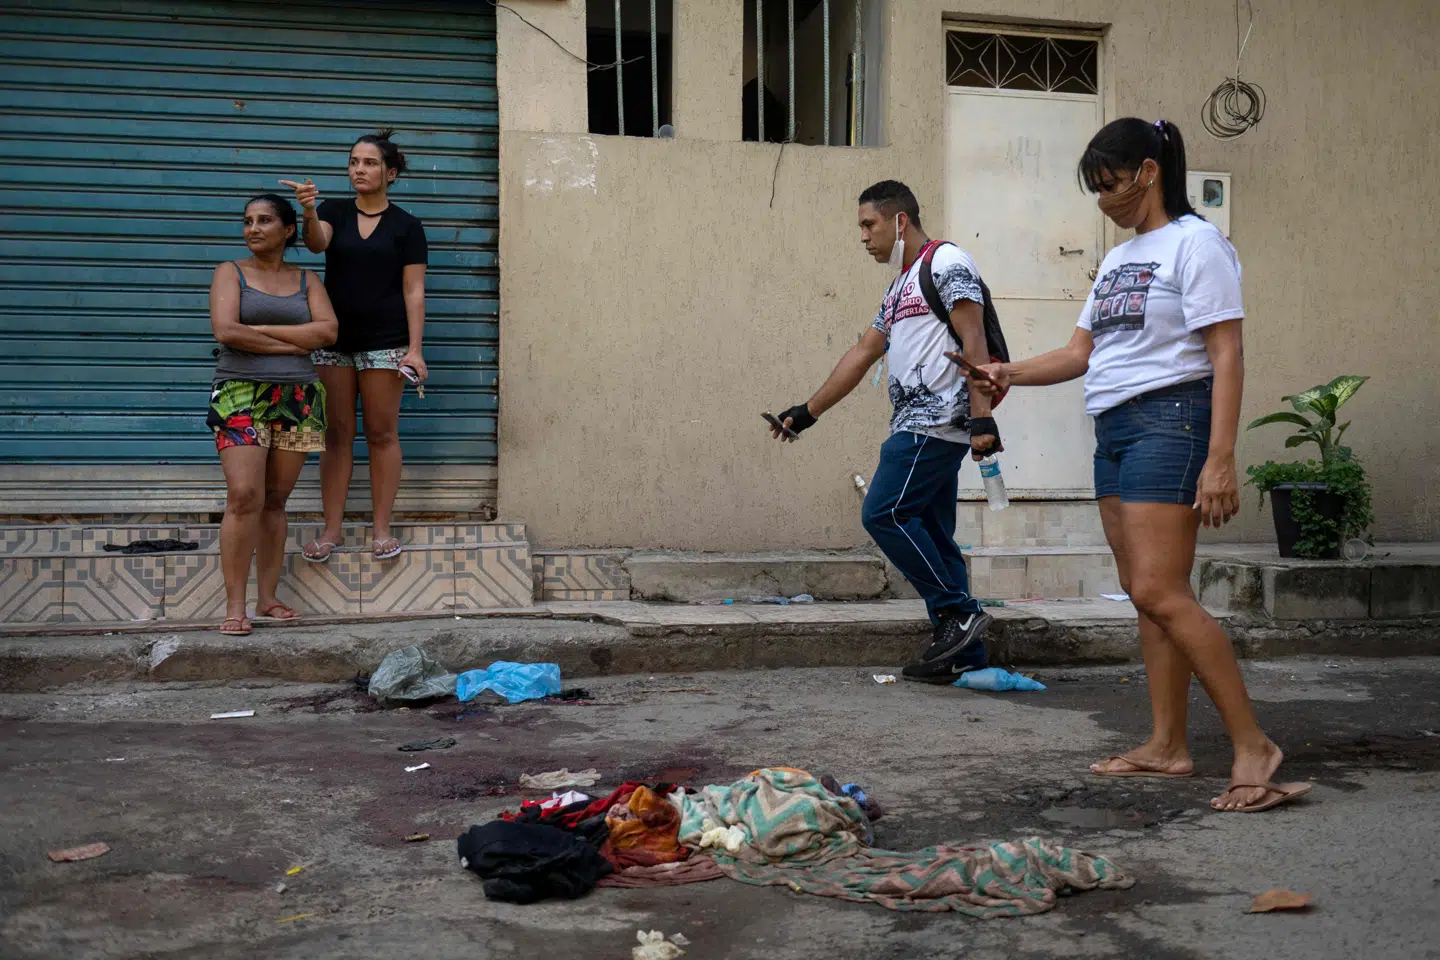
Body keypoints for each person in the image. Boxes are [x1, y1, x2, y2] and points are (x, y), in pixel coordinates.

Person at [971, 118, 1307, 814]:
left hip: (1170, 419)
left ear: (1149, 171)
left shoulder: (1199, 244)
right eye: (1095, 190)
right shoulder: (1123, 259)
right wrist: (1007, 372)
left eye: (1111, 184)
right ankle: (1166, 744)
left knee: (1161, 590)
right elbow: (1079, 354)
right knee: (1144, 594)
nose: (1103, 200)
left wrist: (1221, 458)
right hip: (1116, 428)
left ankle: (1254, 747)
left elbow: (1227, 354)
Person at [768, 180, 1000, 681]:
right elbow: (863, 353)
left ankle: (957, 612)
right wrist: (807, 411)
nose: (863, 237)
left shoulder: (948, 263)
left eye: (868, 225)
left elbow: (974, 336)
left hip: (934, 422)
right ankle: (963, 653)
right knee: (936, 536)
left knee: (884, 513)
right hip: (918, 424)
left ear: (900, 220)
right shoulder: (899, 287)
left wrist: (982, 418)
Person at [280, 127, 429, 563]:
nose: (359, 170)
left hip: (386, 343)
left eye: (369, 163)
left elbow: (414, 291)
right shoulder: (334, 211)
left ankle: (381, 529)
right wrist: (308, 211)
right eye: (353, 162)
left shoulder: (407, 226)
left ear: (391, 173)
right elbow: (316, 244)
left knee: (382, 434)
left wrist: (414, 349)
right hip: (334, 340)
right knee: (337, 435)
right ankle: (332, 531)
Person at [208, 194, 338, 636]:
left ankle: (266, 599)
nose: (253, 228)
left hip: (300, 396)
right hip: (239, 391)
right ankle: (234, 605)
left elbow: (328, 331)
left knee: (276, 500)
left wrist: (259, 331)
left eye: (265, 221)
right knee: (245, 495)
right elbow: (226, 330)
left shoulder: (307, 279)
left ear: (287, 230)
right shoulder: (230, 272)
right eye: (247, 221)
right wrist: (295, 343)